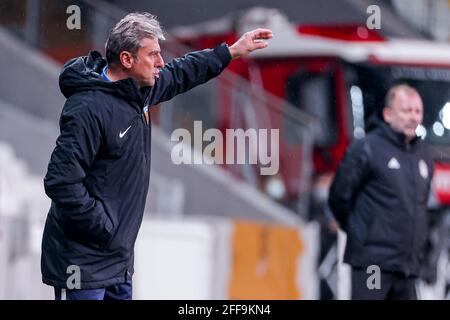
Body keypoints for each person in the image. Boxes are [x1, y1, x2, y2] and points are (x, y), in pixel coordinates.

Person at [41, 12, 272, 300]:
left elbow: (182, 72)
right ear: (127, 60)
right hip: (82, 264)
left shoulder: (140, 92)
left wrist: (231, 52)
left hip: (118, 262)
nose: (161, 62)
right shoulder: (88, 108)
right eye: (153, 55)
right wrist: (103, 227)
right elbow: (61, 181)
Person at [328, 83, 434, 300]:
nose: (413, 118)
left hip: (406, 267)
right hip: (373, 265)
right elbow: (339, 196)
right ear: (388, 114)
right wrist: (359, 229)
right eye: (406, 111)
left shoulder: (424, 155)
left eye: (418, 112)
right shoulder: (367, 148)